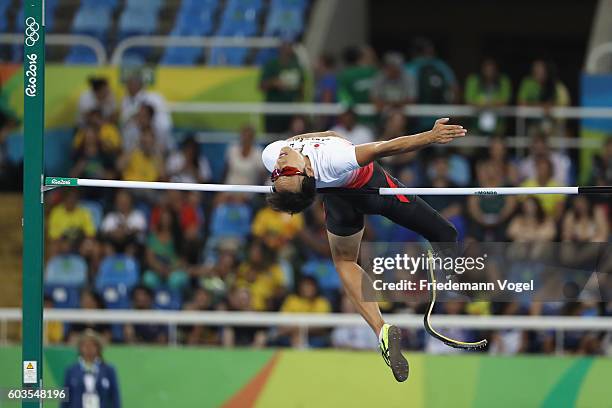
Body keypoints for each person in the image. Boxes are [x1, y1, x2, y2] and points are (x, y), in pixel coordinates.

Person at [260, 118, 466, 382]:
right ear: (308, 173)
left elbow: (323, 136)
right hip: (373, 189)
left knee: (345, 261)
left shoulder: (271, 155)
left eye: (277, 176)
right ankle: (440, 297)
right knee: (445, 234)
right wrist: (431, 136)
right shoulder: (335, 159)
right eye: (285, 171)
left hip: (339, 201)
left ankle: (383, 328)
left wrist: (310, 142)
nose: (278, 167)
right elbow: (385, 148)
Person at [62, 330, 121, 408]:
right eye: (85, 345)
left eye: (92, 345)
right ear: (80, 348)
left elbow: (115, 398)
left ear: (98, 348)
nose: (88, 348)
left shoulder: (108, 370)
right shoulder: (71, 370)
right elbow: (64, 399)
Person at [259, 41, 305, 133]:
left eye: (289, 47)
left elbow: (301, 90)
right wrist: (273, 83)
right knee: (272, 139)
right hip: (273, 111)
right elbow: (261, 86)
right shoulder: (272, 65)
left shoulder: (297, 66)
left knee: (290, 140)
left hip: (291, 111)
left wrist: (298, 112)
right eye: (284, 47)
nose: (287, 50)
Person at [464, 58, 512, 135]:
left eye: (491, 69)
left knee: (497, 144)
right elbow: (469, 101)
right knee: (468, 142)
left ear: (496, 70)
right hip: (475, 123)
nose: (489, 71)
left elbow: (505, 101)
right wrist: (487, 104)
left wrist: (485, 104)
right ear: (482, 69)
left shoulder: (503, 80)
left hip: (497, 125)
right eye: (486, 68)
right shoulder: (473, 80)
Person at [370, 52, 416, 116]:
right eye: (389, 66)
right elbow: (374, 98)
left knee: (397, 117)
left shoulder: (408, 77)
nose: (392, 69)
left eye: (394, 67)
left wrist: (393, 104)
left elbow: (411, 100)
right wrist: (392, 104)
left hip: (405, 114)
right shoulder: (379, 76)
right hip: (383, 113)